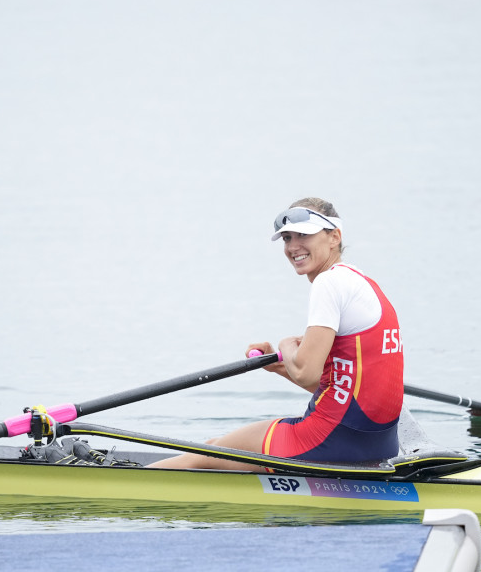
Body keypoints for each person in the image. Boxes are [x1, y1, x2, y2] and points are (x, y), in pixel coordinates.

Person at [148, 197, 404, 470]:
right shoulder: (363, 284)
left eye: (304, 235)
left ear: (334, 237)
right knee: (216, 447)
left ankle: (133, 486)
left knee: (200, 456)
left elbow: (306, 372)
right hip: (377, 445)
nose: (293, 247)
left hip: (327, 440)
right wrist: (280, 366)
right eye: (286, 238)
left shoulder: (328, 283)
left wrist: (287, 346)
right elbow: (337, 386)